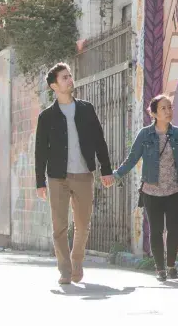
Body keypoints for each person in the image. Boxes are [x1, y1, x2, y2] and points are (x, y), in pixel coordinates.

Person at [35, 63, 114, 285]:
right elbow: (40, 151)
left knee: (82, 224)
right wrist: (40, 182)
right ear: (54, 85)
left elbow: (99, 140)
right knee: (59, 227)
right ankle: (65, 270)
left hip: (83, 174)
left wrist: (106, 170)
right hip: (57, 177)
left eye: (70, 76)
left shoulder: (87, 109)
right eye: (64, 77)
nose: (70, 80)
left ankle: (76, 261)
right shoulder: (46, 117)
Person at [112, 94, 178, 281]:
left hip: (174, 190)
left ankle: (171, 266)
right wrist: (117, 174)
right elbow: (133, 158)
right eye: (163, 108)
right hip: (151, 191)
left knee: (173, 229)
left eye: (170, 107)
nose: (168, 111)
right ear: (154, 113)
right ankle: (160, 269)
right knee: (156, 230)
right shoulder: (145, 134)